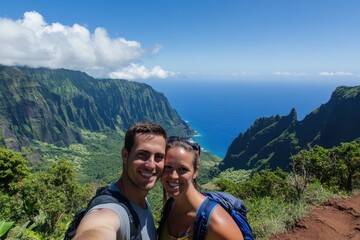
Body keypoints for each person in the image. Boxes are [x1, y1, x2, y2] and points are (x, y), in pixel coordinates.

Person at [73, 122, 167, 240]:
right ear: (125, 155)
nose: (151, 165)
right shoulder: (109, 211)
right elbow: (98, 228)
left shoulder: (142, 200)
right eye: (142, 154)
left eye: (159, 157)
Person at [158, 136, 244, 240]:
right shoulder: (170, 206)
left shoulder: (216, 223)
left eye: (182, 169)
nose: (173, 176)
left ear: (196, 172)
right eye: (168, 167)